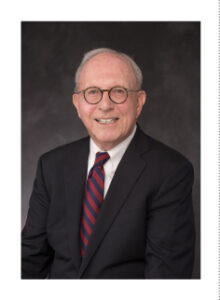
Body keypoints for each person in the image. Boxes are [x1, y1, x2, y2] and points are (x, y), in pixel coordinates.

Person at [22, 48, 195, 279]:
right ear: (77, 103)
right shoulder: (51, 166)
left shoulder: (171, 172)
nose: (105, 105)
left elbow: (165, 279)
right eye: (92, 92)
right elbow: (28, 262)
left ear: (139, 102)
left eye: (118, 91)